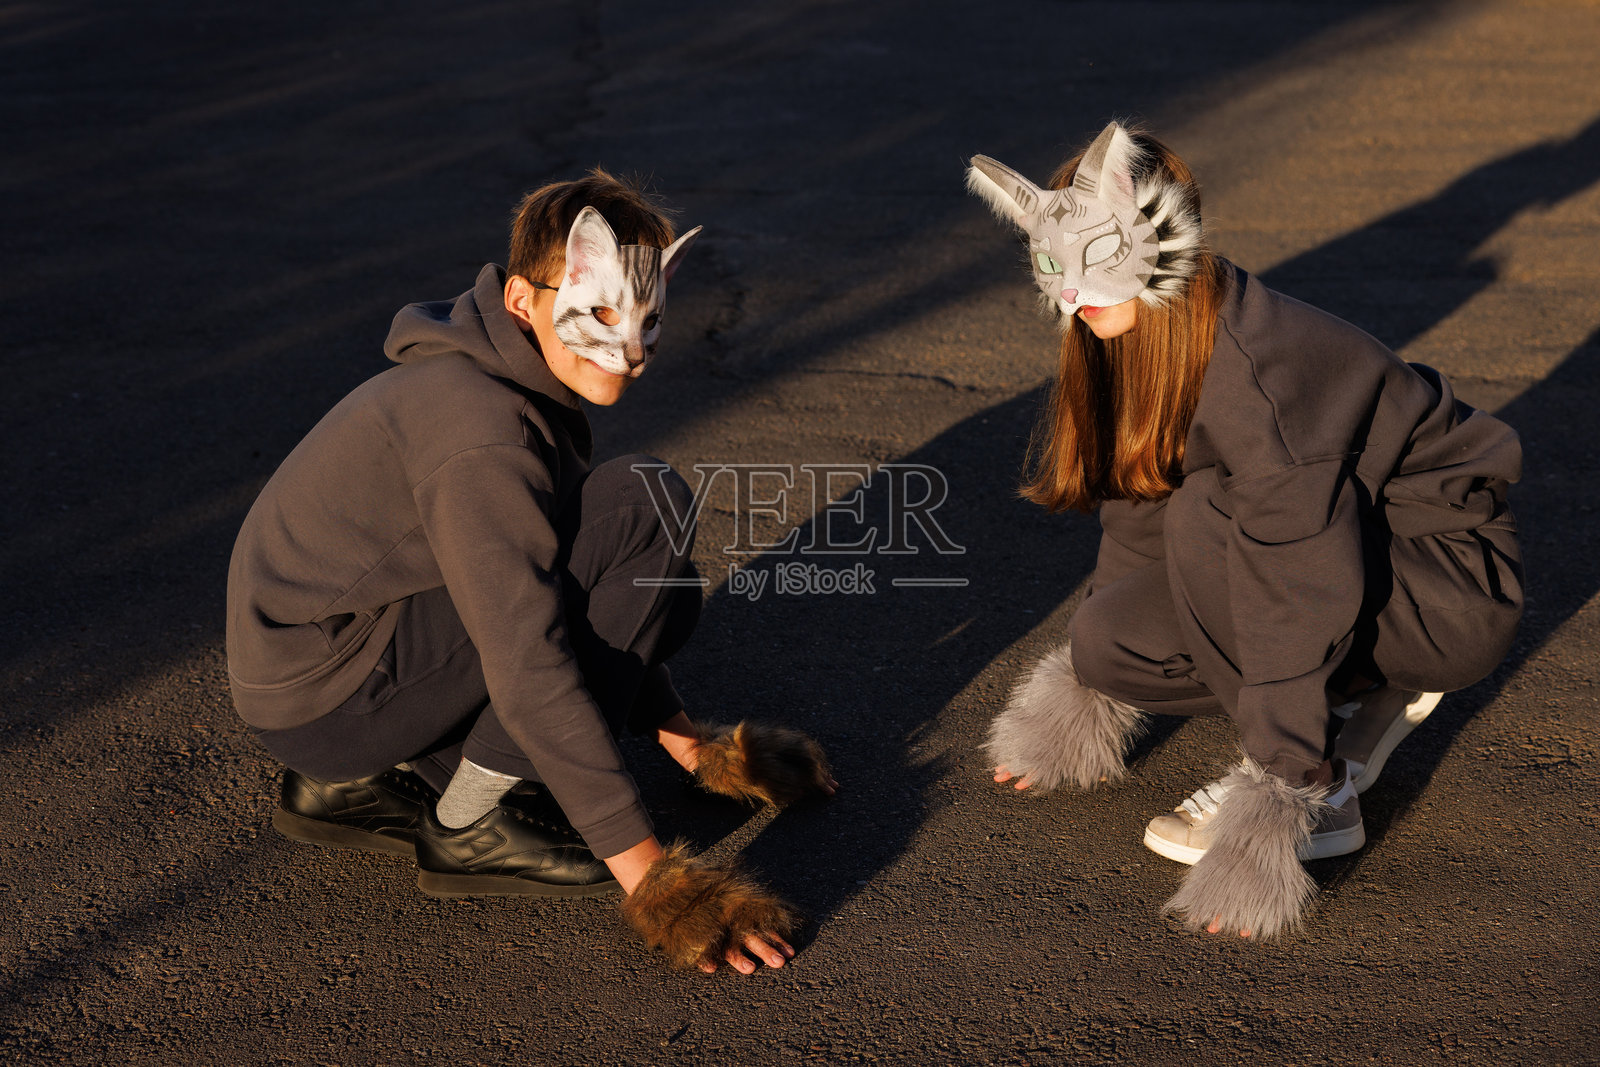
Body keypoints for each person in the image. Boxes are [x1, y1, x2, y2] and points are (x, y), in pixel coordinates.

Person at [226, 170, 835, 974]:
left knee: (650, 557)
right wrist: (656, 881)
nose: (633, 349)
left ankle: (362, 782)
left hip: (328, 675)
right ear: (522, 299)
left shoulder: (502, 377)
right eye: (604, 313)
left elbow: (566, 582)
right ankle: (479, 818)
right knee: (641, 510)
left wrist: (691, 746)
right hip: (331, 693)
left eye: (649, 318)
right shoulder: (482, 427)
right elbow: (528, 653)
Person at [967, 123, 1523, 939]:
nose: (1075, 290)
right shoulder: (1139, 335)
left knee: (1207, 513)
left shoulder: (1259, 368)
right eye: (1055, 263)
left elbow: (1296, 573)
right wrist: (1080, 701)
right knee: (1110, 640)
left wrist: (1285, 772)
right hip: (1339, 560)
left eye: (1097, 255)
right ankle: (1357, 687)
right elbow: (1136, 515)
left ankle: (1325, 789)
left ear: (1162, 240)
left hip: (1442, 585)